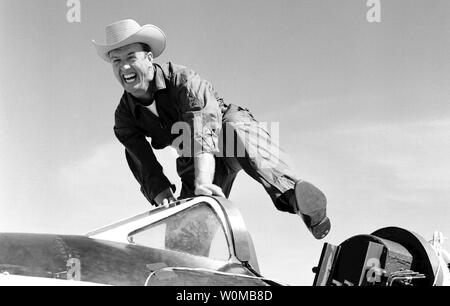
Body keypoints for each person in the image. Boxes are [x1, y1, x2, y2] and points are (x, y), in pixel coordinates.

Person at [92, 19, 331, 239]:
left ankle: (301, 202)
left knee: (237, 132)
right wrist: (160, 192)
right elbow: (140, 159)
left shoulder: (184, 80)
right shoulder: (124, 116)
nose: (124, 67)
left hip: (222, 134)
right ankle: (189, 269)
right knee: (184, 230)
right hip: (192, 160)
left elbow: (202, 126)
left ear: (149, 58)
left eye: (131, 57)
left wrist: (203, 180)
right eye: (117, 61)